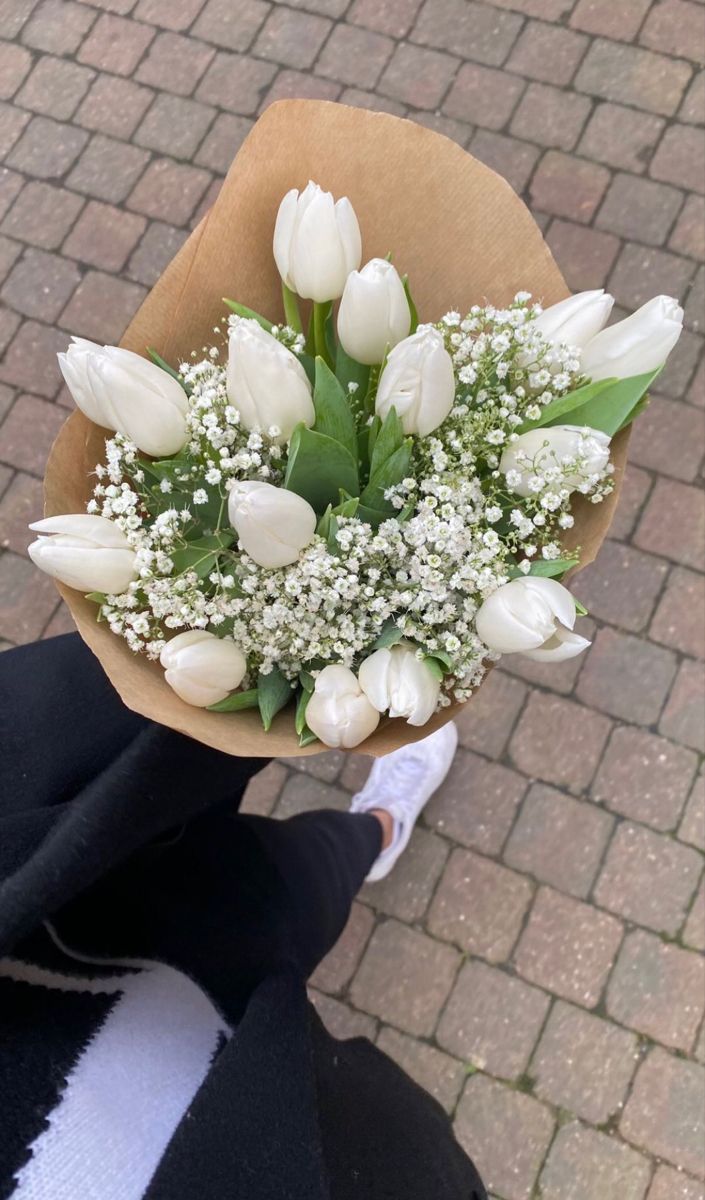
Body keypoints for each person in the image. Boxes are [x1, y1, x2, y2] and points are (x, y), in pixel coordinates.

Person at [0, 633, 486, 1200]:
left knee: (286, 867)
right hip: (242, 1130)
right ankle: (381, 826)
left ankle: (369, 836)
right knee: (293, 905)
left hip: (54, 900)